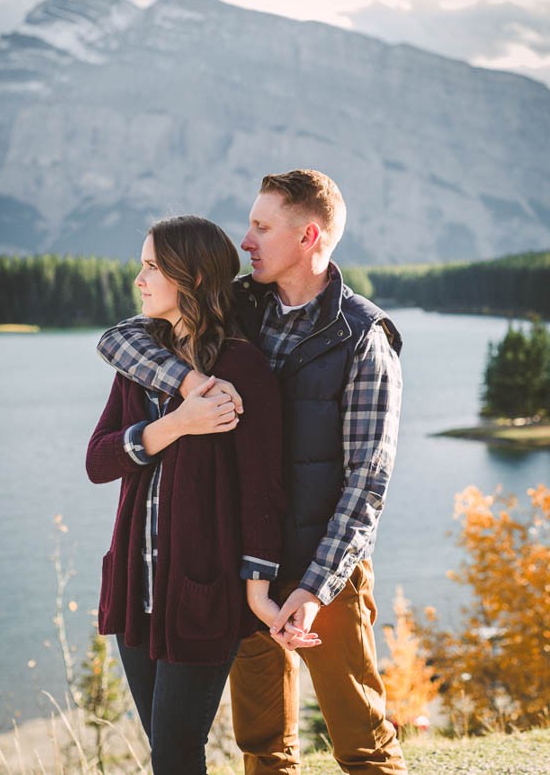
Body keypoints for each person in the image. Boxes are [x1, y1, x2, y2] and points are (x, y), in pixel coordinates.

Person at [96, 171, 407, 773]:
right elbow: (119, 339)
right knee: (263, 744)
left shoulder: (364, 336)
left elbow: (367, 482)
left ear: (308, 235)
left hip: (325, 571)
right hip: (246, 568)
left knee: (361, 742)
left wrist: (315, 589)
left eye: (262, 227)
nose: (246, 240)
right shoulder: (239, 305)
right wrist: (189, 385)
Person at [86, 215, 293, 775]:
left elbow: (261, 491)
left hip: (202, 596)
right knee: (167, 754)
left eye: (152, 266)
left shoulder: (241, 366)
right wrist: (177, 423)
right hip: (136, 590)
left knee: (177, 756)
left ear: (193, 276)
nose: (139, 278)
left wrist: (257, 590)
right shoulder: (140, 362)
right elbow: (98, 461)